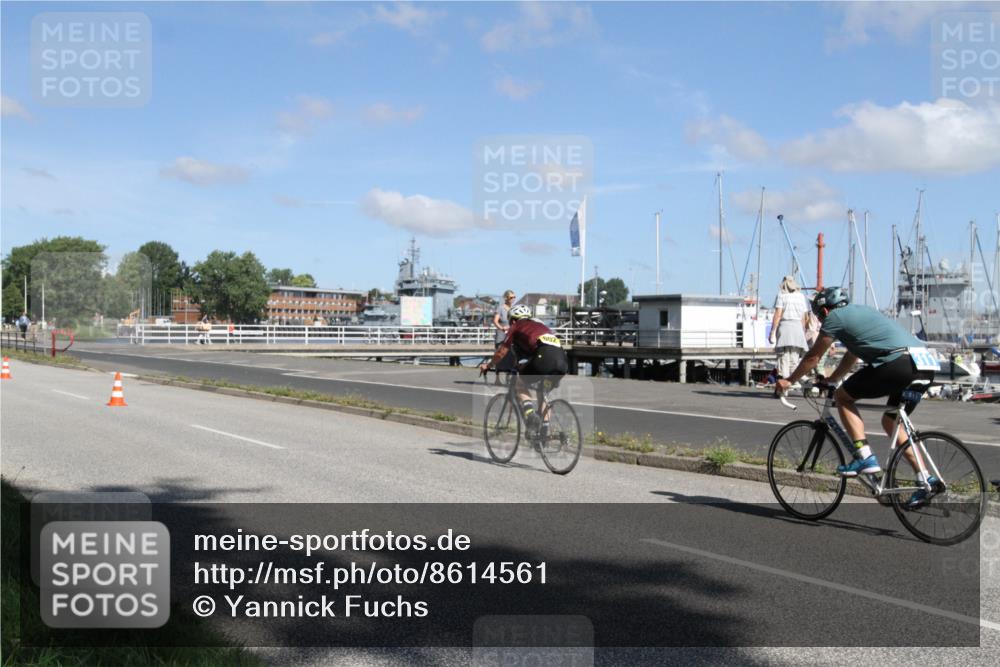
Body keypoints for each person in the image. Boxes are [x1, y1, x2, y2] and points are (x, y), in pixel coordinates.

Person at [776, 287, 938, 508]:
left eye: (819, 314)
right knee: (891, 421)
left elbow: (813, 357)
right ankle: (925, 479)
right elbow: (852, 356)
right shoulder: (861, 313)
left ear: (825, 309)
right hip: (925, 364)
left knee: (843, 397)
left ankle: (864, 457)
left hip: (899, 363)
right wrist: (833, 378)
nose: (821, 319)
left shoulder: (834, 318)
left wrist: (788, 381)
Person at [479, 304, 568, 432]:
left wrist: (488, 365)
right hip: (562, 361)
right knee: (543, 393)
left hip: (544, 357)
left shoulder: (516, 326)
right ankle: (543, 434)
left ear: (513, 320)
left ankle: (531, 415)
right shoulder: (541, 326)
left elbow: (502, 352)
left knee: (519, 383)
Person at [769, 276, 809, 387]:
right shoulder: (801, 297)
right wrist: (803, 331)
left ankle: (783, 387)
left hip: (785, 328)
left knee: (783, 360)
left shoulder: (782, 295)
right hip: (798, 329)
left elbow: (778, 314)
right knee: (794, 360)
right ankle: (803, 381)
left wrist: (772, 332)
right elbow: (804, 317)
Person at [490, 290, 517, 385]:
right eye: (511, 297)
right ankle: (497, 379)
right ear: (506, 298)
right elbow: (495, 321)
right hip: (501, 334)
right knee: (499, 355)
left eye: (514, 297)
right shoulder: (500, 308)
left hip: (510, 334)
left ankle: (508, 378)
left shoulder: (514, 309)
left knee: (511, 355)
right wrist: (502, 328)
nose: (513, 299)